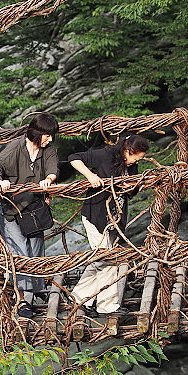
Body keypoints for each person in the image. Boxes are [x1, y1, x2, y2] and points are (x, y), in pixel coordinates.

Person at [68, 134, 149, 316]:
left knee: (101, 259)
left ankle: (79, 297)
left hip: (115, 219)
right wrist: (90, 176)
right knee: (109, 260)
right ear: (128, 151)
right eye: (136, 157)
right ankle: (107, 306)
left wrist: (133, 185)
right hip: (96, 216)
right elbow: (74, 158)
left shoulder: (131, 165)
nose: (136, 161)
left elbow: (130, 192)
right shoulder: (106, 155)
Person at [0, 112, 59, 319]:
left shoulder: (48, 150)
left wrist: (49, 178)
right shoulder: (16, 147)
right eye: (47, 135)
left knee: (36, 250)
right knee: (18, 252)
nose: (50, 139)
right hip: (12, 207)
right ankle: (22, 300)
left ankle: (33, 291)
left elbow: (53, 168)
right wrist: (0, 181)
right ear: (37, 132)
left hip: (35, 207)